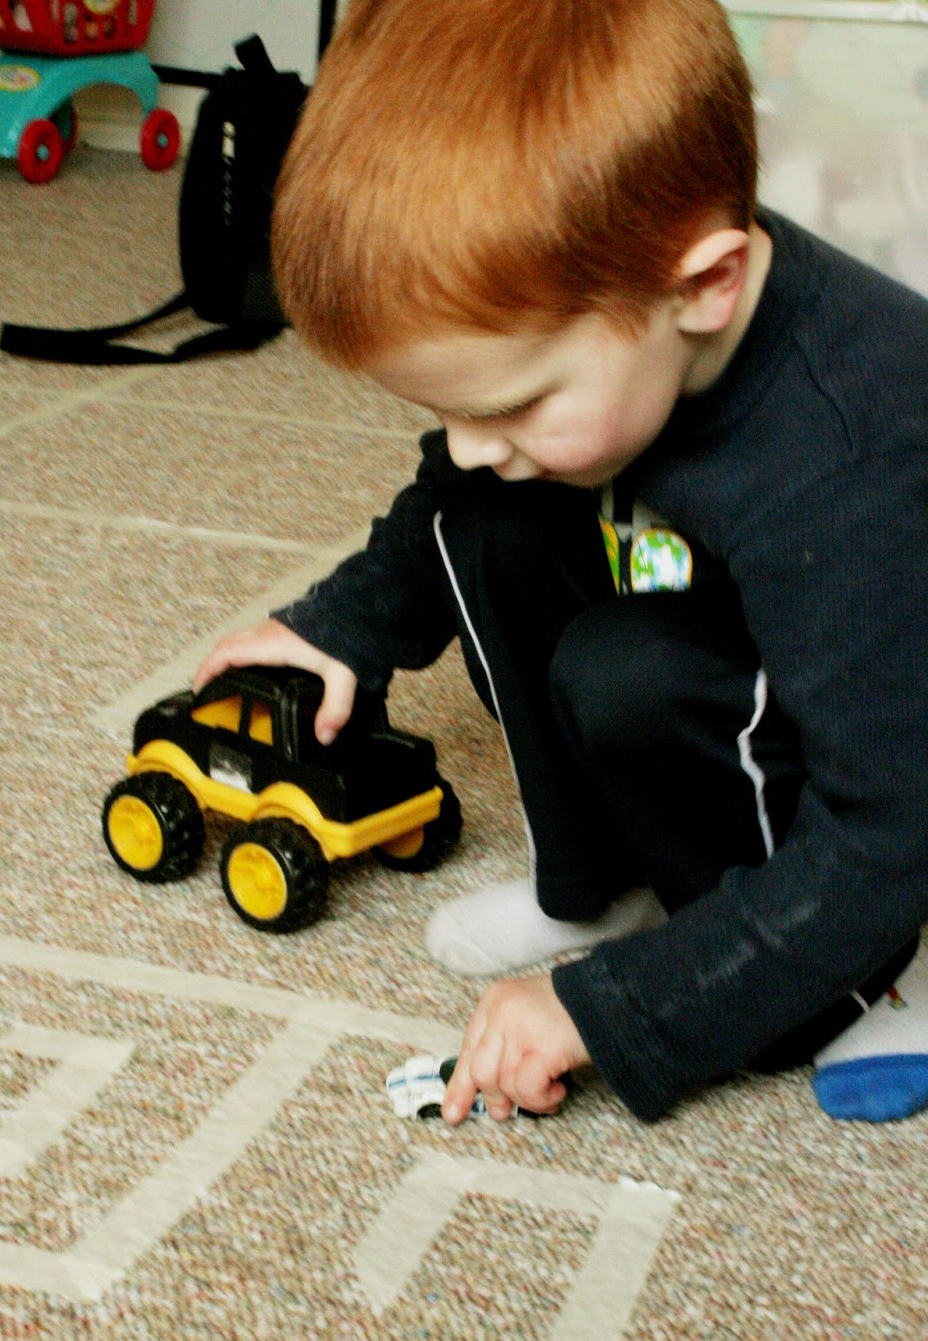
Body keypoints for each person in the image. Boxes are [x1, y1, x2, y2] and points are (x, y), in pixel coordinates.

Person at [195, 0, 928, 1124]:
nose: (467, 440)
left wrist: (624, 1007)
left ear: (704, 286)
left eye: (512, 401)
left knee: (626, 672)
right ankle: (601, 887)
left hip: (892, 746)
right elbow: (458, 484)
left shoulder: (849, 460)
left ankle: (865, 984)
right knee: (487, 516)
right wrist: (341, 623)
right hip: (757, 615)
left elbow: (889, 829)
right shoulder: (629, 303)